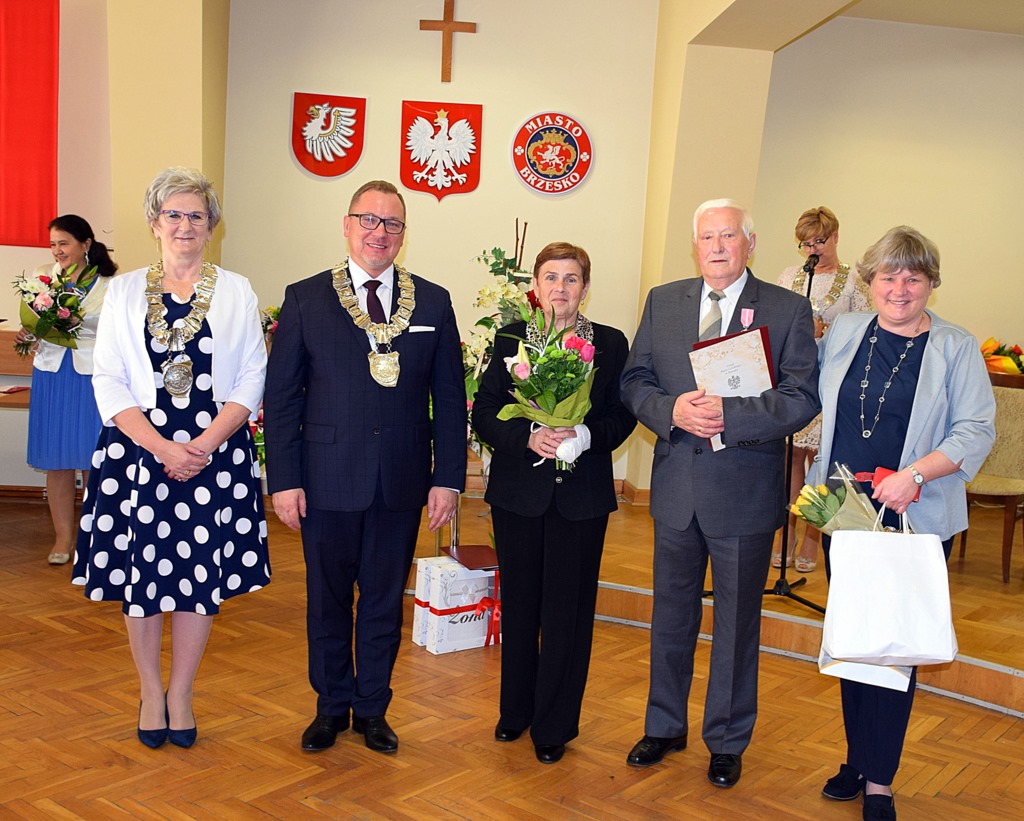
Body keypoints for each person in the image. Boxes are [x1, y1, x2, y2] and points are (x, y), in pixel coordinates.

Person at [620, 199, 819, 786]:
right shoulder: (664, 301)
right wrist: (671, 411)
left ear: (749, 243)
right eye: (707, 237)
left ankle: (727, 740)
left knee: (736, 625)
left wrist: (730, 417)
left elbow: (802, 396)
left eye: (728, 236)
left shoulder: (787, 309)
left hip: (744, 493)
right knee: (670, 616)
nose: (717, 247)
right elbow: (635, 381)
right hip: (677, 489)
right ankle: (664, 726)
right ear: (695, 245)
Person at [263, 180, 466, 756]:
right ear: (347, 225)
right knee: (327, 601)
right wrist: (285, 480)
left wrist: (448, 478)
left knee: (382, 600)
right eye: (369, 220)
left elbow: (450, 399)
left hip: (401, 481)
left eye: (392, 223)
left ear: (404, 234)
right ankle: (330, 707)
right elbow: (283, 398)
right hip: (325, 479)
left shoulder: (433, 302)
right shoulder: (305, 299)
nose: (380, 232)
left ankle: (373, 708)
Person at [72, 167, 270, 749]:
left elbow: (252, 376)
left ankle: (181, 693)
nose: (185, 225)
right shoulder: (124, 291)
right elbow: (108, 379)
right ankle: (149, 690)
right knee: (141, 578)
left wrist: (202, 446)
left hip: (214, 455)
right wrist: (161, 446)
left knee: (197, 576)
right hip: (138, 455)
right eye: (174, 214)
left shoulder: (237, 290)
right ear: (154, 223)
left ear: (212, 225)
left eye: (197, 215)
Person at [809, 226, 994, 821]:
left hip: (914, 514)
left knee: (895, 647)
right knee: (854, 637)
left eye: (914, 277)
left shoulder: (956, 347)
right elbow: (800, 387)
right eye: (889, 276)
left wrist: (914, 474)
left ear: (932, 284)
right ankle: (857, 759)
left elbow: (976, 430)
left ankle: (880, 780)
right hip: (843, 509)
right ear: (870, 281)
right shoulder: (845, 330)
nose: (900, 288)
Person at [471, 242, 636, 764]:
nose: (560, 288)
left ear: (585, 288)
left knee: (569, 613)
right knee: (521, 606)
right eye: (550, 277)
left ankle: (554, 724)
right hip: (519, 495)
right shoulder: (510, 338)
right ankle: (515, 711)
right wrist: (528, 436)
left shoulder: (610, 344)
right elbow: (485, 412)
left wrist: (584, 436)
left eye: (571, 278)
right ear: (536, 287)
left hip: (581, 500)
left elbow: (623, 415)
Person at [15, 216, 117, 565]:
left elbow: (116, 330)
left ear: (85, 244)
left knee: (92, 461)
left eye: (64, 243)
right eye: (53, 244)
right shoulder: (43, 277)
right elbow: (34, 318)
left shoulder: (109, 284)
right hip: (52, 373)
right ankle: (62, 540)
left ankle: (92, 540)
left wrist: (74, 322)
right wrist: (30, 332)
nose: (57, 251)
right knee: (56, 462)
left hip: (91, 376)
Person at [776, 207, 870, 572]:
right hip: (794, 375)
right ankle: (785, 534)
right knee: (791, 456)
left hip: (831, 376)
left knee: (821, 457)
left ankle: (812, 538)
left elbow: (865, 329)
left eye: (820, 241)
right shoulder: (790, 276)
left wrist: (825, 331)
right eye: (805, 243)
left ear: (835, 236)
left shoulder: (854, 280)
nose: (813, 249)